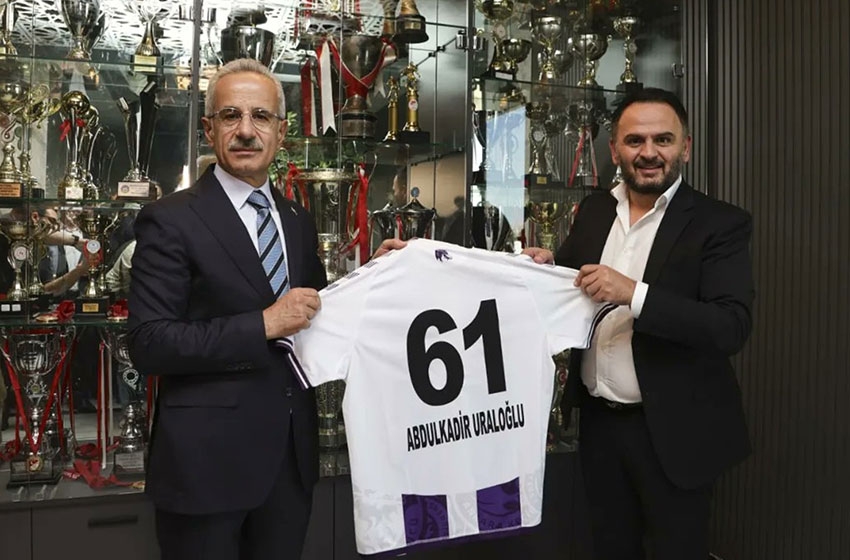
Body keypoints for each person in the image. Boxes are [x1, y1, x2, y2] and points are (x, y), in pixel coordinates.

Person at [525, 88, 754, 559]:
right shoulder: (594, 210)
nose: (649, 152)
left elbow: (729, 325)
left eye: (662, 139)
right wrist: (546, 265)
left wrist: (634, 293)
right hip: (598, 427)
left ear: (685, 147)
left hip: (676, 432)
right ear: (614, 150)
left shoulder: (720, 223)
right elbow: (572, 280)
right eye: (635, 141)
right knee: (609, 548)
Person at [127, 58, 327, 560]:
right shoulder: (169, 219)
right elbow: (150, 343)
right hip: (204, 468)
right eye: (231, 115)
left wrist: (381, 272)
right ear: (208, 128)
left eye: (261, 116)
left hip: (289, 464)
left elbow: (316, 311)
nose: (246, 131)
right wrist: (263, 324)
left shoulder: (297, 219)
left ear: (281, 132)